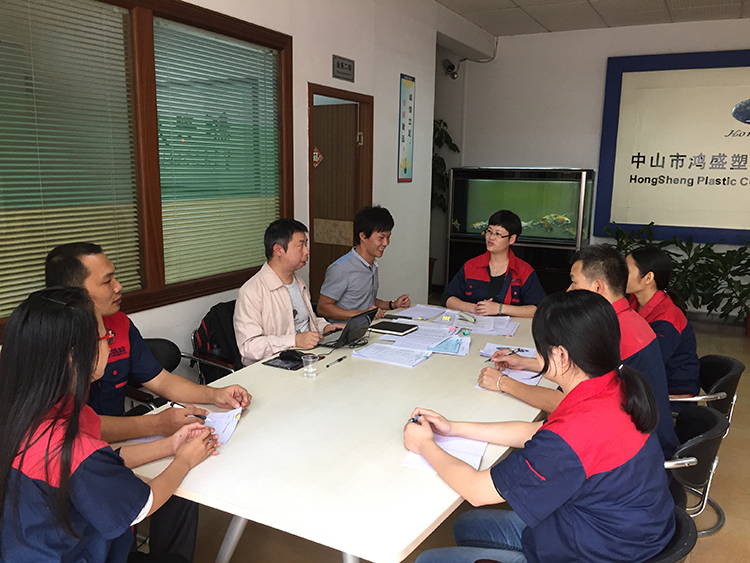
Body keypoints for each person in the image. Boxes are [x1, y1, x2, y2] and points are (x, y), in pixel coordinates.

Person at [405, 291, 675, 563]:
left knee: (428, 560)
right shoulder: (613, 388)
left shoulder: (573, 433)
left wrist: (424, 444)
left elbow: (477, 491)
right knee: (467, 525)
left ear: (560, 355)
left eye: (538, 347)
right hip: (619, 533)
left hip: (596, 553)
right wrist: (452, 428)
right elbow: (536, 433)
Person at [45, 242, 251, 563]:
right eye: (107, 281)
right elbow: (83, 433)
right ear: (75, 296)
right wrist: (159, 426)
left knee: (182, 481)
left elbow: (160, 380)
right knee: (150, 493)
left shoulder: (119, 323)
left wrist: (214, 394)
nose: (118, 286)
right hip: (91, 463)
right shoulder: (52, 355)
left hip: (110, 451)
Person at [0, 287, 219, 563]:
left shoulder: (27, 414)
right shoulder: (71, 447)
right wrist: (184, 461)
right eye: (106, 337)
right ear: (74, 356)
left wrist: (170, 446)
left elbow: (101, 460)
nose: (110, 344)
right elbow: (142, 505)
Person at [479, 245, 677, 459]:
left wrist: (503, 383)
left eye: (574, 282)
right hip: (645, 439)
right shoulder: (627, 319)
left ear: (598, 287)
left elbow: (563, 403)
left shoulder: (608, 333)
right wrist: (524, 362)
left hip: (632, 452)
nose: (569, 290)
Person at [234, 218, 344, 365]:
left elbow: (305, 321)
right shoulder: (251, 291)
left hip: (308, 357)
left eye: (306, 244)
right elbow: (249, 347)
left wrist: (324, 327)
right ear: (278, 250)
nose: (307, 251)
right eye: (300, 245)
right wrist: (294, 340)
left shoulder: (297, 281)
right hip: (274, 366)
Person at [441, 210, 545, 318]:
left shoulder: (524, 270)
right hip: (474, 325)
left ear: (512, 239)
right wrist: (474, 308)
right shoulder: (471, 266)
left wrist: (499, 308)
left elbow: (538, 309)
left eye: (498, 234)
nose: (491, 237)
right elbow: (447, 298)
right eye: (489, 231)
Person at [626, 247, 700, 397]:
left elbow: (648, 365)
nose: (618, 275)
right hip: (645, 384)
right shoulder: (634, 301)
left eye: (626, 270)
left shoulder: (667, 320)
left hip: (670, 392)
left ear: (648, 278)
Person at [317, 205, 410, 321]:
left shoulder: (372, 265)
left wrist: (393, 304)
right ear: (363, 236)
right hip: (344, 329)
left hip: (368, 326)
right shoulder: (341, 268)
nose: (386, 243)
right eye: (381, 238)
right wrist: (361, 314)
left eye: (388, 237)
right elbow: (323, 308)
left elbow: (365, 300)